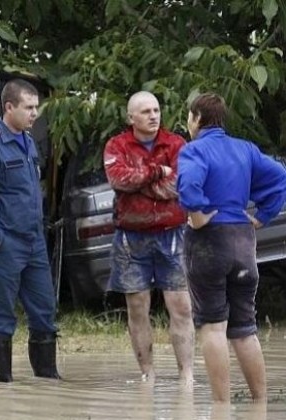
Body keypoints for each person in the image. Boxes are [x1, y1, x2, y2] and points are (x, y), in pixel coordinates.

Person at [177, 92, 286, 402]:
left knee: (213, 327)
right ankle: (260, 403)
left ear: (196, 118)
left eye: (189, 116)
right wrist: (263, 216)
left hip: (209, 242)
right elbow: (281, 177)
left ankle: (221, 406)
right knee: (245, 327)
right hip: (243, 241)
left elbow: (188, 186)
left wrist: (198, 214)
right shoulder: (245, 149)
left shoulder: (193, 151)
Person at [0, 78, 60, 382]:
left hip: (34, 241)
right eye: (28, 107)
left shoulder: (28, 142)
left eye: (36, 107)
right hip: (5, 242)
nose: (34, 113)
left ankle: (47, 379)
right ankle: (4, 383)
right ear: (9, 107)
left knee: (45, 310)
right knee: (2, 311)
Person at [103, 91, 194, 384]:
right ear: (131, 117)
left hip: (173, 234)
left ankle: (187, 376)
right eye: (145, 111)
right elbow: (118, 179)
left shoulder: (177, 143)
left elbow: (176, 187)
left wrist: (141, 182)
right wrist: (157, 171)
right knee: (137, 307)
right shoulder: (116, 145)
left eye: (156, 110)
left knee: (181, 305)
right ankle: (148, 375)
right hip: (131, 237)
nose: (153, 116)